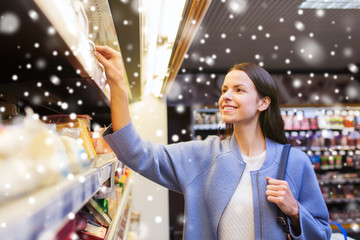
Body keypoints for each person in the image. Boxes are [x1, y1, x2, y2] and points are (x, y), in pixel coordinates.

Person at [95, 45, 331, 240]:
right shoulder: (202, 156)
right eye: (225, 89)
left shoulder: (295, 163)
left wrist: (295, 212)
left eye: (239, 90)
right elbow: (136, 153)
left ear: (263, 103)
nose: (226, 96)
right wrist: (117, 84)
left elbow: (323, 233)